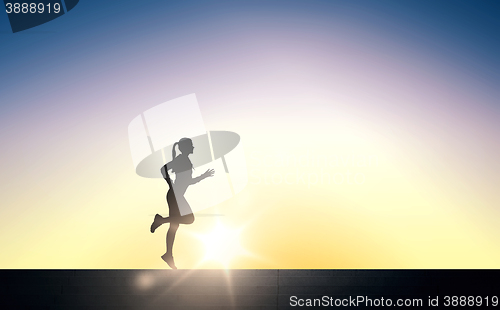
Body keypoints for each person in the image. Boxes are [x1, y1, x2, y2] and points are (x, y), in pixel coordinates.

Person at [150, 138, 214, 269]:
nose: (193, 148)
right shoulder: (181, 160)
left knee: (174, 226)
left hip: (176, 195)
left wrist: (204, 176)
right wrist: (170, 184)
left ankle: (168, 254)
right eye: (191, 145)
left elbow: (188, 181)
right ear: (185, 147)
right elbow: (163, 169)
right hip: (175, 195)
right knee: (189, 219)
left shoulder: (185, 160)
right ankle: (160, 221)